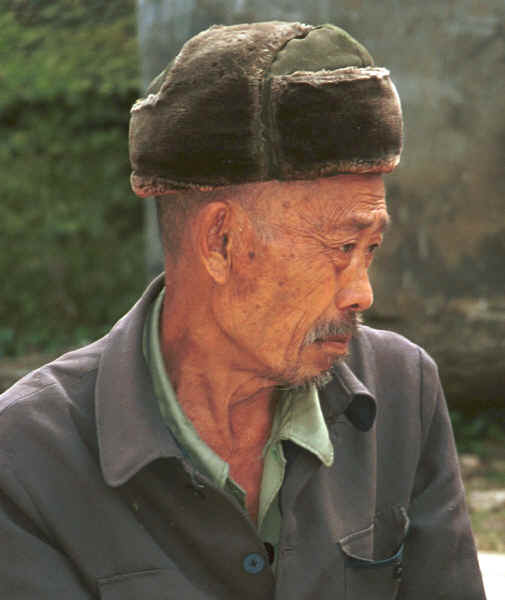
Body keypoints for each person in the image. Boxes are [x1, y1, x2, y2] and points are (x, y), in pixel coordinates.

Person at [0, 21, 485, 600]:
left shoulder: (402, 393)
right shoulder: (27, 461)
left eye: (370, 249)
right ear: (221, 243)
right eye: (339, 248)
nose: (363, 292)